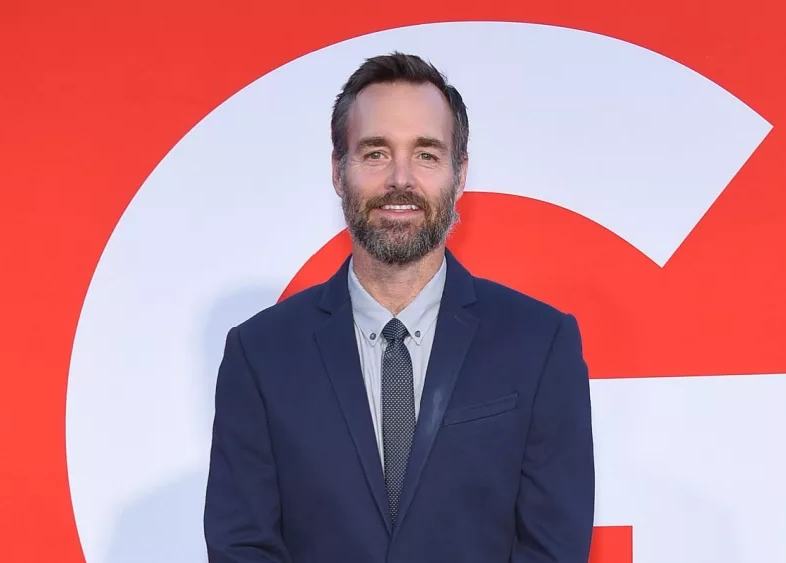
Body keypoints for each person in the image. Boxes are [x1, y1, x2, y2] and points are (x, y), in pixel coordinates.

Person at [203, 51, 595, 562]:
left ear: (460, 175)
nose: (401, 180)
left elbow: (554, 548)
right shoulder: (260, 355)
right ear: (338, 172)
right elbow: (242, 547)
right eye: (376, 153)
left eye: (427, 154)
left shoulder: (541, 344)